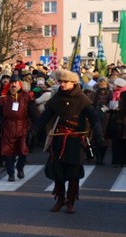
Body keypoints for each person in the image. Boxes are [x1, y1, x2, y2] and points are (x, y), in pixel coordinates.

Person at [30, 70, 104, 214]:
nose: (62, 84)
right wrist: (34, 130)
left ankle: (70, 202)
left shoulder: (82, 99)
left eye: (65, 82)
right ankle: (60, 199)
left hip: (76, 141)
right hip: (58, 139)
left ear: (73, 83)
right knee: (58, 171)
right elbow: (45, 117)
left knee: (73, 173)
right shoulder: (56, 98)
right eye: (60, 82)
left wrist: (99, 134)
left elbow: (95, 118)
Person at [0, 75, 38, 182]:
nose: (13, 84)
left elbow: (33, 113)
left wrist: (35, 126)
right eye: (11, 82)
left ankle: (20, 167)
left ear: (19, 84)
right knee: (8, 151)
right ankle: (11, 173)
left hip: (22, 126)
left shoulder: (27, 97)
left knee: (23, 150)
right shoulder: (4, 98)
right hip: (8, 127)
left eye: (15, 82)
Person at [106, 77, 126, 166]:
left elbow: (121, 109)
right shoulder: (114, 94)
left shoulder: (123, 95)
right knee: (117, 141)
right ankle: (118, 160)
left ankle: (119, 160)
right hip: (116, 120)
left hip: (121, 121)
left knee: (119, 142)